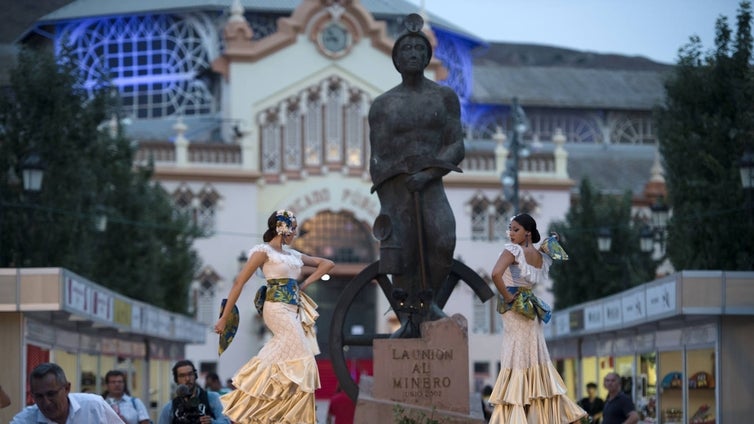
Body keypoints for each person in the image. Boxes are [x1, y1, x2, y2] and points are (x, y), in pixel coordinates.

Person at [368, 13, 464, 337]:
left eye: (418, 49)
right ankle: (409, 315)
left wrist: (430, 173)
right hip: (396, 187)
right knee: (403, 251)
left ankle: (428, 304)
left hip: (430, 181)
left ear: (427, 56)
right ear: (396, 58)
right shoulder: (383, 105)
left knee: (443, 237)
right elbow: (377, 156)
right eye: (406, 49)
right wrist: (388, 202)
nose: (412, 53)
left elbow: (456, 144)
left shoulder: (444, 98)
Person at [213, 209, 335, 423]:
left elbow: (327, 264)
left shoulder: (294, 255)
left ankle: (280, 412)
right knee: (303, 356)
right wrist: (224, 317)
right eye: (293, 228)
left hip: (293, 308)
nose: (296, 233)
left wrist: (304, 284)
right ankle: (254, 393)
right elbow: (239, 282)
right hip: (275, 308)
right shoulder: (263, 252)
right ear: (282, 228)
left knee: (291, 355)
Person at [487, 214, 586, 423]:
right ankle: (546, 414)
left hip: (515, 310)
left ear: (527, 232)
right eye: (510, 229)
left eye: (516, 230)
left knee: (515, 356)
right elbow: (546, 249)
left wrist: (507, 297)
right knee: (535, 357)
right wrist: (553, 240)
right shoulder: (540, 256)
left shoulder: (513, 249)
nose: (511, 233)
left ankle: (517, 416)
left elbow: (495, 274)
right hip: (531, 312)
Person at [11, 362, 123, 423]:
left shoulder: (94, 407)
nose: (46, 402)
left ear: (67, 389)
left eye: (51, 394)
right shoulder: (25, 420)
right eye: (39, 396)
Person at [157, 360, 229, 424]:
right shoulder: (170, 407)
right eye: (182, 376)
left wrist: (212, 422)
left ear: (195, 376)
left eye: (190, 374)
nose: (187, 379)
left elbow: (226, 422)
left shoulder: (212, 398)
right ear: (176, 380)